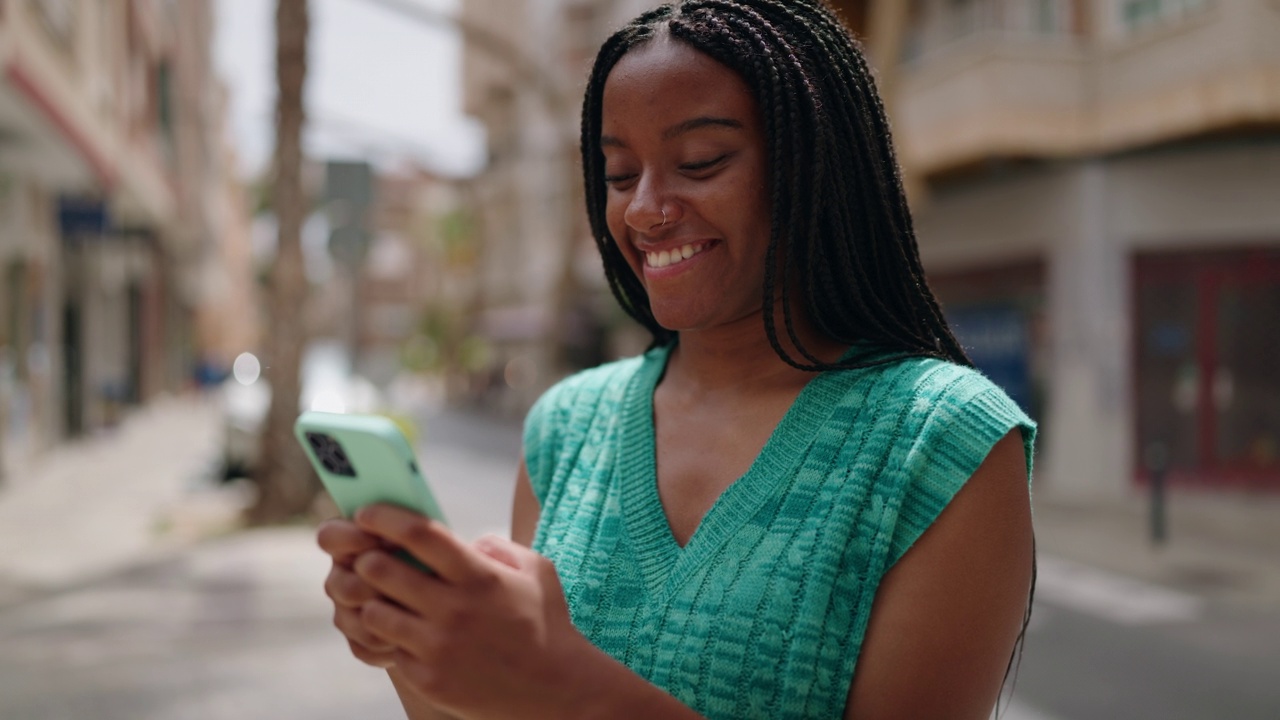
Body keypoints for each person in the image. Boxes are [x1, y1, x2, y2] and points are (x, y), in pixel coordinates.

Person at [317, 1, 1036, 718]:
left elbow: (547, 691)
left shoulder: (943, 441)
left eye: (700, 162)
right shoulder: (566, 425)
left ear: (816, 167)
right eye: (621, 174)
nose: (644, 210)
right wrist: (416, 649)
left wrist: (562, 681)